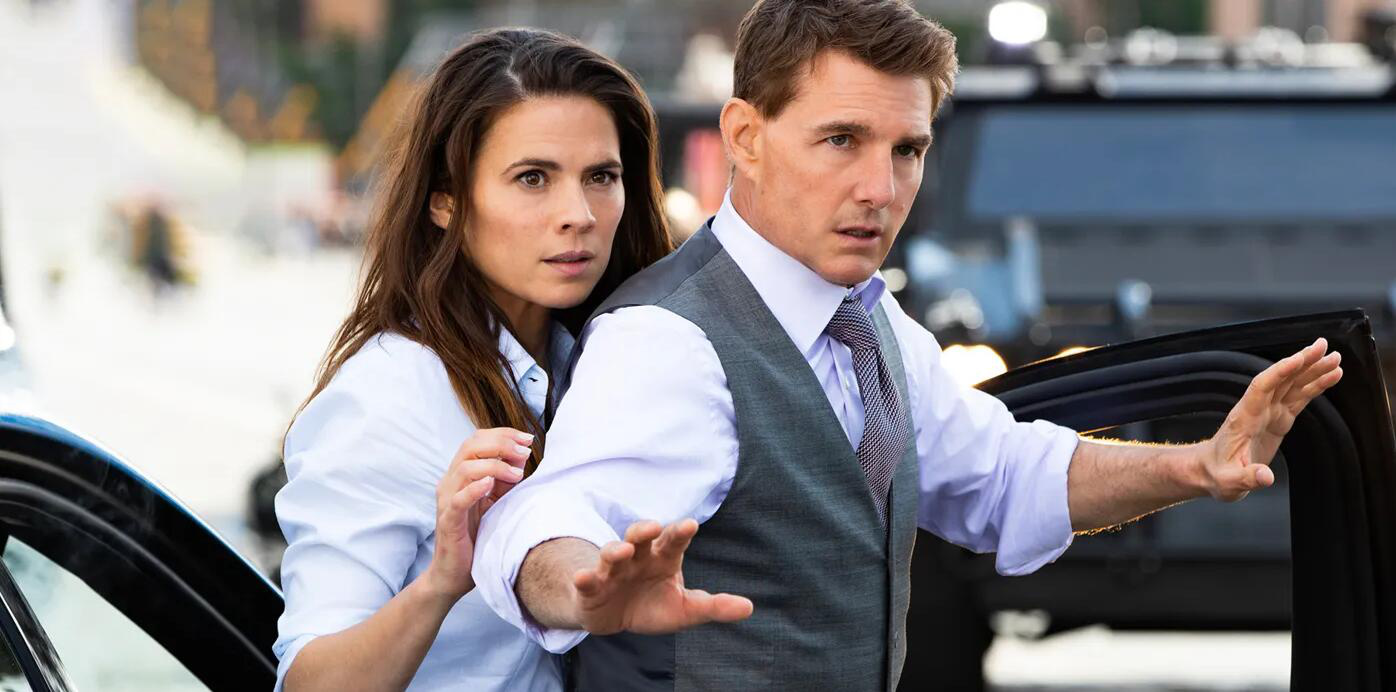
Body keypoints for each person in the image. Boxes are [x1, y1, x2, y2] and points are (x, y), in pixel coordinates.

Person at [470, 1, 1345, 690]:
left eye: (908, 149)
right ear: (744, 137)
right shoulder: (669, 342)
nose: (880, 189)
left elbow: (1003, 475)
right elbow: (544, 519)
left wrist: (1195, 466)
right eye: (842, 140)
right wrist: (581, 586)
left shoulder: (868, 320)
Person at [271, 28, 673, 691]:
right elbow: (309, 682)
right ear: (445, 199)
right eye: (533, 178)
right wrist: (441, 582)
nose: (578, 214)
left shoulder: (610, 361)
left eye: (601, 177)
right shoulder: (389, 394)